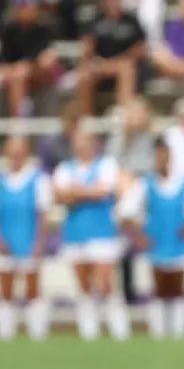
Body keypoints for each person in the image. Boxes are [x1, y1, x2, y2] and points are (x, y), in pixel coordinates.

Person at [119, 138, 184, 340]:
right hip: (156, 242)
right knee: (159, 288)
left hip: (178, 242)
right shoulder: (145, 184)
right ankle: (159, 332)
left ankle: (178, 332)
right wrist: (139, 237)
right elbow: (125, 213)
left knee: (177, 288)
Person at [53, 129, 130, 341]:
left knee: (106, 282)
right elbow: (59, 194)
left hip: (101, 231)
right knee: (84, 284)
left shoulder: (106, 164)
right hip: (75, 232)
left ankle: (118, 329)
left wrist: (75, 192)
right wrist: (86, 192)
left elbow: (103, 191)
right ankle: (89, 330)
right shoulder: (64, 168)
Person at [0, 136, 52, 340]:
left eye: (18, 152)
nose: (14, 156)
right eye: (11, 152)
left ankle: (37, 333)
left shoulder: (37, 180)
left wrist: (39, 243)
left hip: (28, 242)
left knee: (33, 290)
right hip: (5, 243)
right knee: (5, 292)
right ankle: (5, 334)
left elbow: (42, 215)